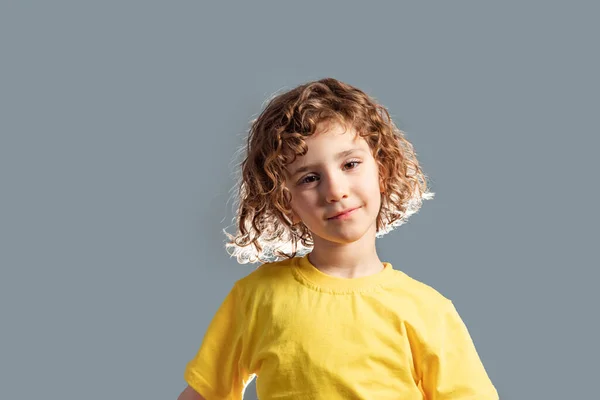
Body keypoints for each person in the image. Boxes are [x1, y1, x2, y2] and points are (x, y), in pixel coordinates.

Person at [177, 78, 498, 399]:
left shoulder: (428, 311)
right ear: (285, 201)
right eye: (310, 178)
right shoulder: (256, 298)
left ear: (382, 170)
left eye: (350, 164)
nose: (335, 190)